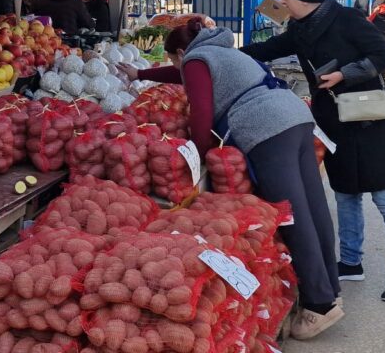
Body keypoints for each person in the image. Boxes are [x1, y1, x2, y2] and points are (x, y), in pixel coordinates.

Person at [134, 21, 344, 339]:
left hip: (266, 129)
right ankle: (331, 287)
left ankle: (320, 304)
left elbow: (201, 113)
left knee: (290, 215)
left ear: (180, 52)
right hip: (295, 118)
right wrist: (140, 74)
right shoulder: (220, 51)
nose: (181, 67)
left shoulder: (195, 59)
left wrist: (203, 152)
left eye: (176, 61)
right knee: (312, 206)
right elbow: (182, 75)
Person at [238, 0, 385, 305]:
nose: (281, 1)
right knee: (346, 192)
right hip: (333, 119)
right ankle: (350, 261)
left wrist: (343, 74)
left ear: (302, 0)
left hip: (368, 115)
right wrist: (231, 53)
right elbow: (275, 46)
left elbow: (384, 55)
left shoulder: (347, 19)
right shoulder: (301, 26)